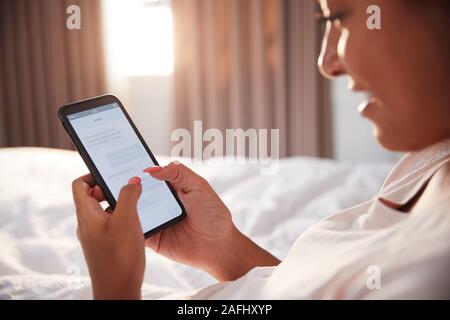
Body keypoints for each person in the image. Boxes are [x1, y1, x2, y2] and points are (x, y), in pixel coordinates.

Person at [71, 0, 450, 299]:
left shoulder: (434, 270)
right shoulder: (431, 159)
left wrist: (115, 289)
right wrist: (222, 249)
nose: (326, 62)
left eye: (338, 17)